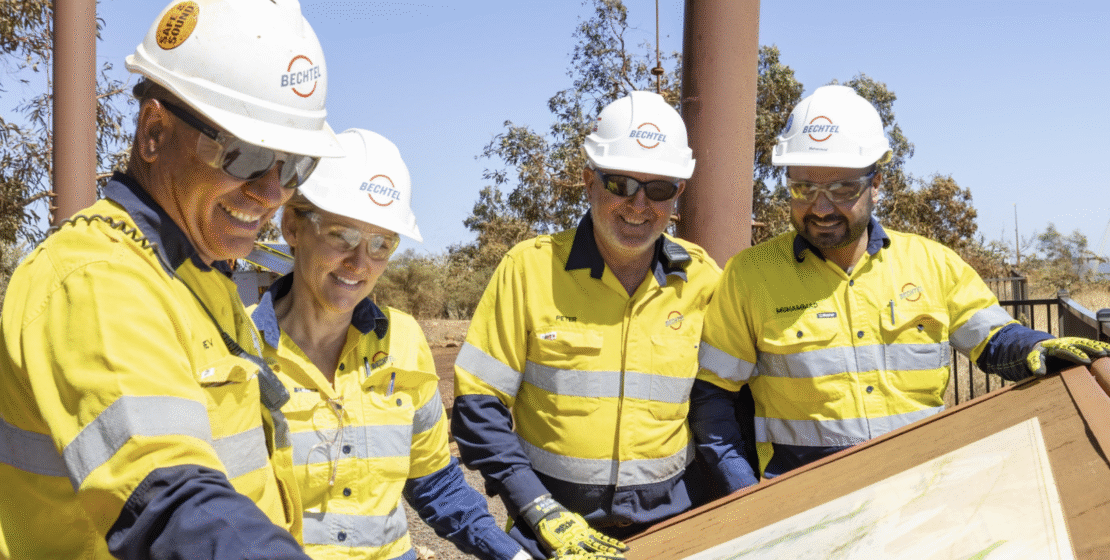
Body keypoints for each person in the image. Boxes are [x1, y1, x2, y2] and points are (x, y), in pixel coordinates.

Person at [0, 1, 343, 558]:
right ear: (154, 133)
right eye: (247, 155)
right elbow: (166, 499)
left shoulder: (199, 274)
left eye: (295, 165)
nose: (273, 192)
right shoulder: (95, 279)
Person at [690, 84, 1110, 493]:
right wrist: (747, 498)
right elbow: (713, 397)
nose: (820, 207)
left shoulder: (933, 264)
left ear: (876, 184)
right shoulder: (749, 276)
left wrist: (1038, 347)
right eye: (804, 189)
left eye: (842, 189)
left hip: (924, 495)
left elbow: (997, 340)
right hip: (807, 509)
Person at [452, 91, 721, 559]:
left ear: (677, 194)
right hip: (549, 532)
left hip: (671, 532)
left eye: (659, 189)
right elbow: (479, 409)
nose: (638, 204)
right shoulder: (529, 270)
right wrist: (539, 510)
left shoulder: (703, 280)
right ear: (588, 181)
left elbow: (723, 411)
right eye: (620, 183)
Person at [249, 128, 530, 560]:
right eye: (341, 235)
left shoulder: (404, 340)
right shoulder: (240, 349)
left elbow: (434, 481)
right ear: (292, 226)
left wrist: (511, 554)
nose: (360, 263)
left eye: (382, 244)